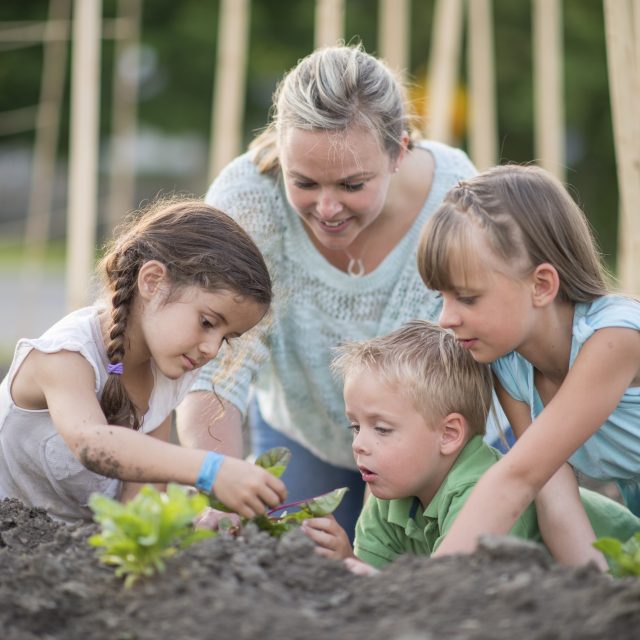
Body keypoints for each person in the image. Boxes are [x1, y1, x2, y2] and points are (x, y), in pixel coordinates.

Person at [177, 44, 480, 540]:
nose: (327, 207)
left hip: (431, 448)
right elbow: (216, 364)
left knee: (422, 580)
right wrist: (219, 482)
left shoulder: (456, 201)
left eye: (352, 184)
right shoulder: (248, 202)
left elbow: (478, 365)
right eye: (305, 182)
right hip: (304, 433)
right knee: (288, 563)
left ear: (398, 151)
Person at [0, 200, 287, 523]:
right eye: (207, 322)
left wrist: (198, 523)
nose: (211, 348)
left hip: (73, 551)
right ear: (152, 281)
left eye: (226, 337)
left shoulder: (166, 374)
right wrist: (210, 469)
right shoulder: (65, 357)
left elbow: (139, 499)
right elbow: (92, 444)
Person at [416, 163, 640, 567]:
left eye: (466, 298)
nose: (445, 318)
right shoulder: (510, 366)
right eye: (441, 297)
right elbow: (552, 495)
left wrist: (431, 582)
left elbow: (515, 478)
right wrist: (598, 591)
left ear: (541, 285)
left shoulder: (615, 339)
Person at [300, 320, 640, 574]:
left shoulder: (481, 494)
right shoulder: (389, 496)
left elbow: (458, 599)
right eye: (355, 426)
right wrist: (345, 560)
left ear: (449, 434)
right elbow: (382, 590)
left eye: (382, 429)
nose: (359, 444)